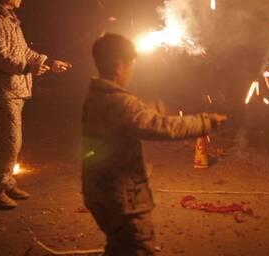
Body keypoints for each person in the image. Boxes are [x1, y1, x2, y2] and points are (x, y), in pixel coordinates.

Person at [82, 34, 227, 255]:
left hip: (101, 192)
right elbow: (158, 126)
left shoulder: (97, 96)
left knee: (120, 247)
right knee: (137, 248)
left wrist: (146, 110)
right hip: (122, 197)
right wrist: (204, 122)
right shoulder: (119, 101)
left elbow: (135, 120)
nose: (132, 71)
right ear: (120, 65)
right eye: (131, 65)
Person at [0, 0, 72, 209]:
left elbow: (22, 52)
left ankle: (6, 181)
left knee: (13, 140)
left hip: (13, 89)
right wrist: (28, 67)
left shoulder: (9, 19)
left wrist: (48, 62)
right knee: (8, 141)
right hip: (0, 91)